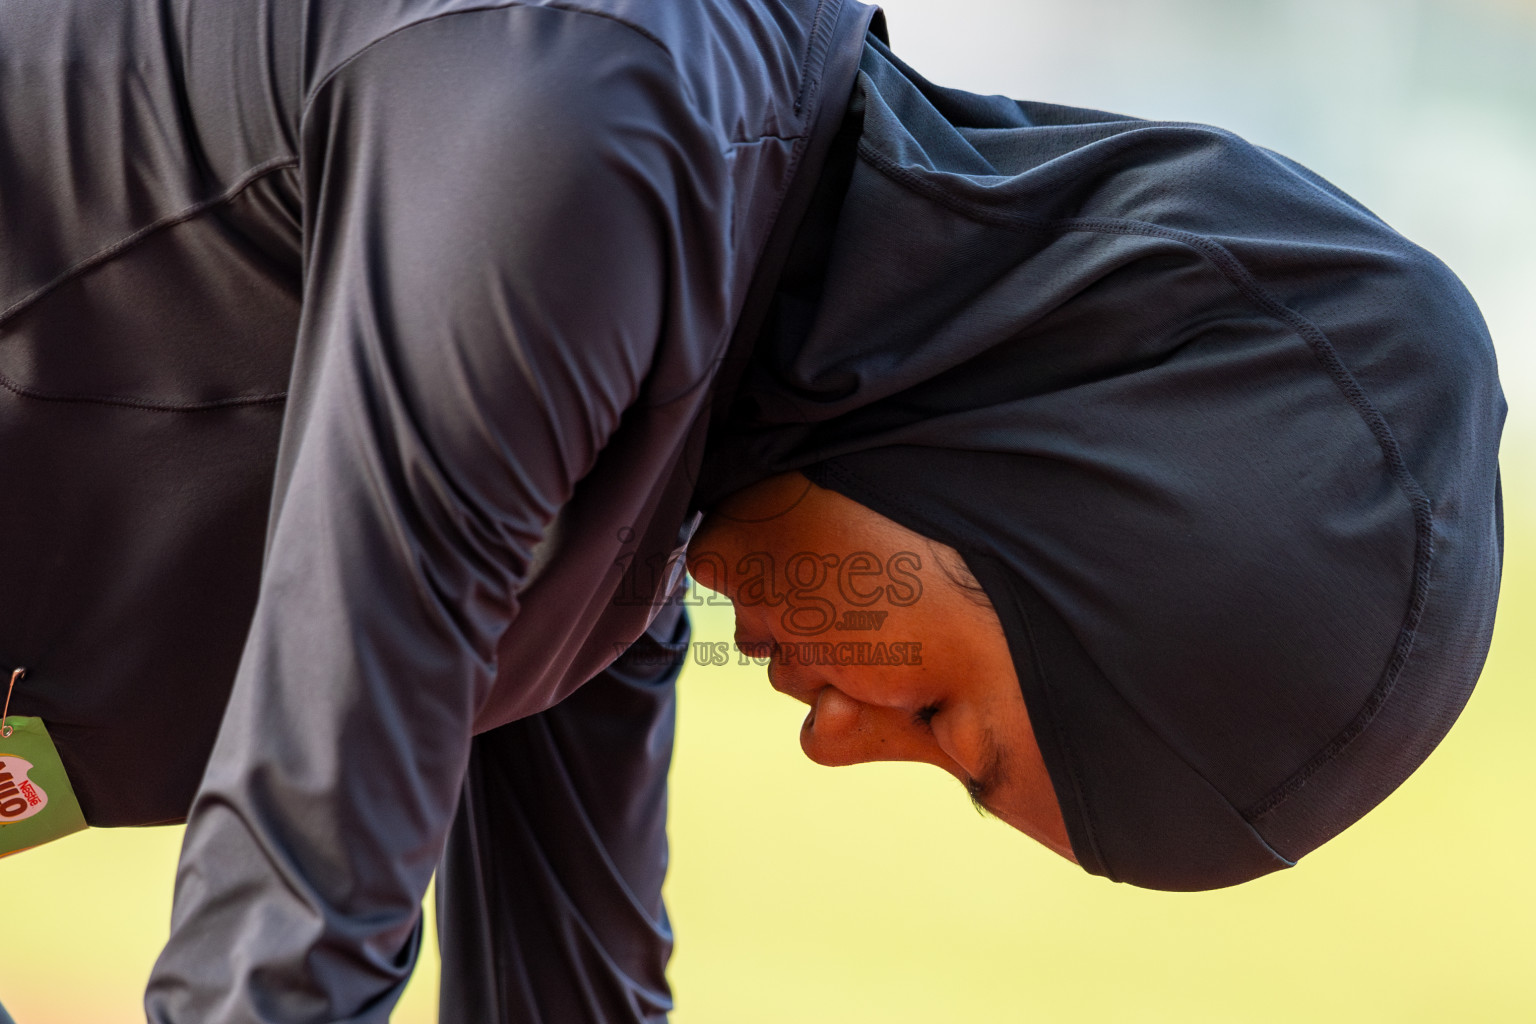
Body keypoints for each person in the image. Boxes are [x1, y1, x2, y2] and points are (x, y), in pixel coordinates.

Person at [0, 0, 1503, 1022]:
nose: (834, 735)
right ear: (1028, 495)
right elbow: (300, 907)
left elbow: (570, 986)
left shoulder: (676, 414)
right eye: (948, 727)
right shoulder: (605, 129)